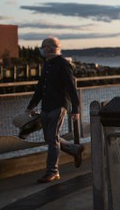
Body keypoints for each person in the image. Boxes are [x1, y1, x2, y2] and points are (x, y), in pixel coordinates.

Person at [25, 37, 83, 183]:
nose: (42, 49)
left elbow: (71, 87)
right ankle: (75, 149)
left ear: (50, 48)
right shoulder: (47, 64)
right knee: (49, 138)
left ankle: (52, 171)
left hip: (59, 106)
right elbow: (40, 88)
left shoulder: (63, 64)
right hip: (46, 106)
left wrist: (75, 109)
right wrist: (30, 106)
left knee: (52, 138)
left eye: (43, 47)